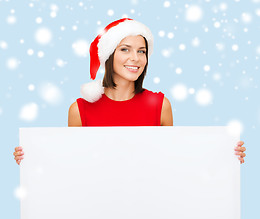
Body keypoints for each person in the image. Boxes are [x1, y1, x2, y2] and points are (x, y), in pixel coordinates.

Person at [13, 18, 246, 164]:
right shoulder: (80, 110)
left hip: (148, 211)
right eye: (125, 49)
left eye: (142, 51)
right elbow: (71, 164)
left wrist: (224, 154)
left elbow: (174, 161)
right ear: (108, 56)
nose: (135, 58)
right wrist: (33, 157)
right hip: (97, 213)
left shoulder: (160, 105)